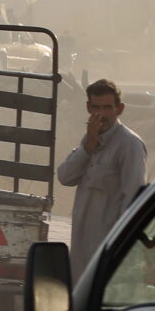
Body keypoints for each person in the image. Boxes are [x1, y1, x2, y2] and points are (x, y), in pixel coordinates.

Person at [57, 78, 148, 277]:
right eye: (96, 107)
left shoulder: (129, 144)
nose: (102, 114)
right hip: (81, 243)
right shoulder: (90, 138)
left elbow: (133, 198)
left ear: (119, 109)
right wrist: (88, 146)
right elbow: (65, 176)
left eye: (107, 108)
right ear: (88, 108)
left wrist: (120, 244)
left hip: (108, 244)